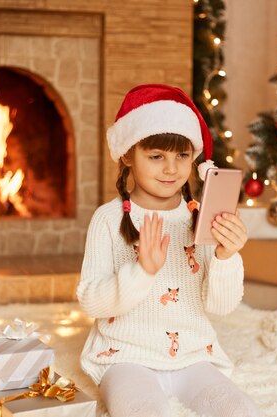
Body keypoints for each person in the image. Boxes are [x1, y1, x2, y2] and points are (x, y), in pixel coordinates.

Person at [77, 84, 258, 417]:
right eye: (156, 156)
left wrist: (226, 257)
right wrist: (141, 272)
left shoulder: (201, 218)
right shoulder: (107, 219)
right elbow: (90, 300)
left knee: (243, 411)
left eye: (182, 156)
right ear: (128, 155)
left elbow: (221, 306)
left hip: (193, 356)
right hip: (125, 357)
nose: (171, 169)